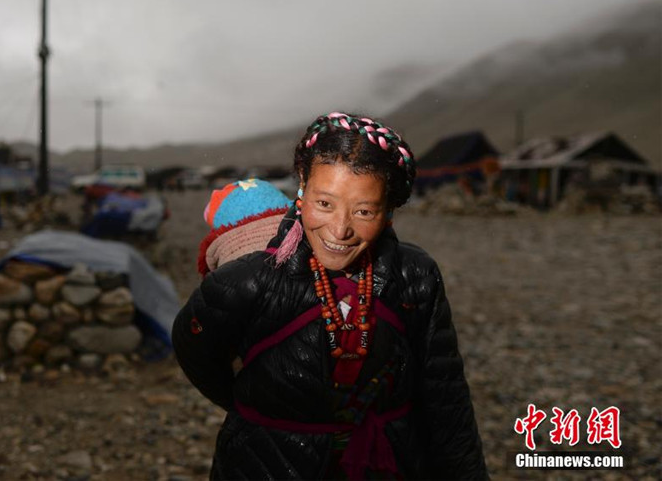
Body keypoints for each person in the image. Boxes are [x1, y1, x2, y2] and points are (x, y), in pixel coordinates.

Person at [173, 112, 487, 480]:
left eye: (364, 211)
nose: (340, 230)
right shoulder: (250, 280)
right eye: (324, 204)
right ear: (302, 187)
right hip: (265, 464)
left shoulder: (414, 277)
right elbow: (195, 349)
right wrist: (254, 409)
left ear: (388, 210)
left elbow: (444, 397)